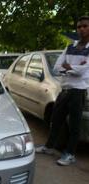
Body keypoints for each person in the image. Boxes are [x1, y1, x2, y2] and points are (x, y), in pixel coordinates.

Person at [36, 16, 89, 166]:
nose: (81, 29)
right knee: (56, 120)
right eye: (79, 27)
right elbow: (57, 67)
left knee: (74, 125)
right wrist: (72, 69)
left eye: (85, 26)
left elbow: (84, 71)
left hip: (78, 92)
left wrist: (69, 67)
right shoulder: (70, 47)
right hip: (64, 89)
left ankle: (70, 153)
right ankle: (49, 147)